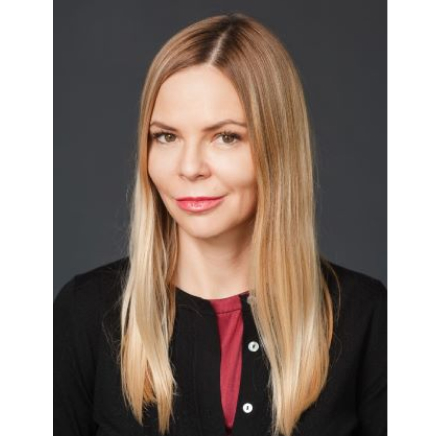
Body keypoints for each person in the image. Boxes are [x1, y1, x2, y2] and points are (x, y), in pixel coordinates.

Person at [54, 12, 387, 436]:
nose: (189, 167)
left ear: (277, 149)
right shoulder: (86, 312)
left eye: (226, 136)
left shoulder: (365, 316)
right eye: (166, 136)